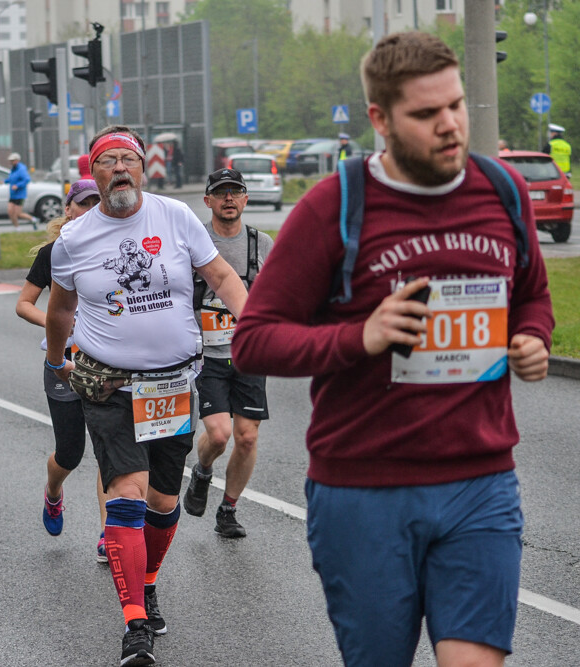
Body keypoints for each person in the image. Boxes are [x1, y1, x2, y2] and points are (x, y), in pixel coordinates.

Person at [231, 32, 553, 667]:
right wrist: (362, 337)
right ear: (380, 119)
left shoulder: (502, 190)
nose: (451, 125)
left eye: (456, 106)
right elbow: (254, 341)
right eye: (427, 114)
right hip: (364, 489)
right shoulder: (337, 206)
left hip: (479, 481)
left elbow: (533, 294)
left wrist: (532, 339)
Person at [45, 126, 247, 667]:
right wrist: (55, 358)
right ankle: (135, 623)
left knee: (162, 501)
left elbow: (222, 274)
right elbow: (61, 310)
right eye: (107, 161)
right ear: (95, 174)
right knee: (127, 495)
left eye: (127, 160)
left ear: (142, 167)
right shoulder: (74, 239)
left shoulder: (175, 216)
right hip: (110, 385)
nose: (119, 169)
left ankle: (149, 580)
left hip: (175, 385)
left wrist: (253, 319)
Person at [15, 178, 109, 561]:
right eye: (82, 204)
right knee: (70, 453)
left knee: (110, 450)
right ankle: (53, 492)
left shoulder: (113, 250)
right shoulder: (55, 252)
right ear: (68, 210)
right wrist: (57, 324)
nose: (88, 210)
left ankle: (109, 533)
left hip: (106, 364)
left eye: (95, 203)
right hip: (64, 362)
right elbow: (24, 304)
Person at [182, 168, 274, 539]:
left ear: (245, 199)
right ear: (208, 201)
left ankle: (228, 509)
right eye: (221, 194)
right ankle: (202, 472)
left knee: (247, 437)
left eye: (235, 192)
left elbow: (277, 292)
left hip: (249, 355)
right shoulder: (194, 240)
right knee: (219, 436)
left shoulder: (261, 243)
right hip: (208, 357)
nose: (229, 199)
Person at [5, 152, 36, 229]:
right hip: (13, 195)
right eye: (10, 160)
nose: (11, 162)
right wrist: (5, 181)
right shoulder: (13, 169)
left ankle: (32, 219)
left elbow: (27, 179)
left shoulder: (21, 169)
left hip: (20, 195)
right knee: (10, 212)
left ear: (17, 160)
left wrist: (18, 186)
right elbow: (11, 179)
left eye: (12, 160)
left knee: (18, 213)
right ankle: (17, 228)